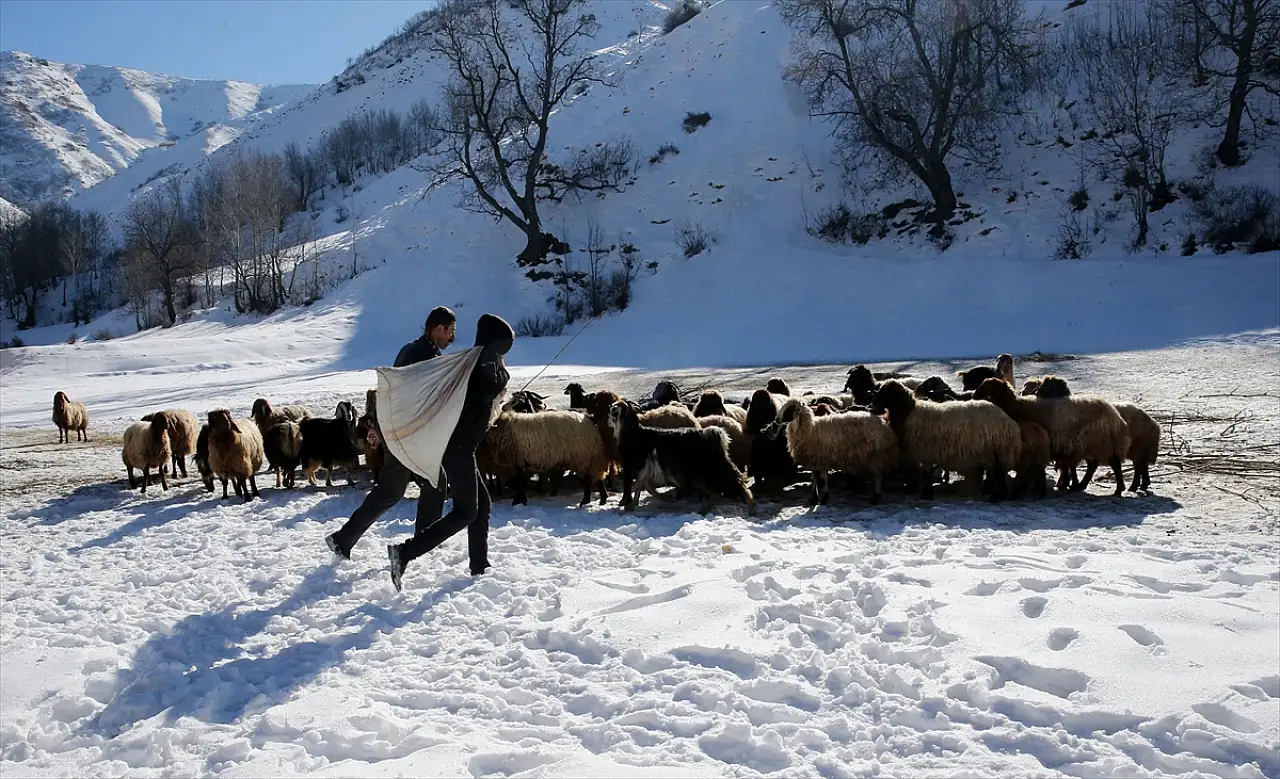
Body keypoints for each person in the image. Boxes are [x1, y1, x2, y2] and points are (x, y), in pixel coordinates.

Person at [387, 313, 513, 591]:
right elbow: (488, 386)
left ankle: (479, 566)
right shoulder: (477, 366)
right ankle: (404, 553)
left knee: (482, 506)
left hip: (462, 447)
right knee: (466, 511)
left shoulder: (482, 363)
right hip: (457, 449)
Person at [324, 306, 457, 561]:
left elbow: (388, 393)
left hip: (397, 432)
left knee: (391, 491)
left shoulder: (408, 350)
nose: (451, 337)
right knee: (435, 481)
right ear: (438, 328)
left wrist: (378, 425)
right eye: (450, 331)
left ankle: (344, 538)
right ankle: (423, 543)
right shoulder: (427, 356)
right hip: (410, 436)